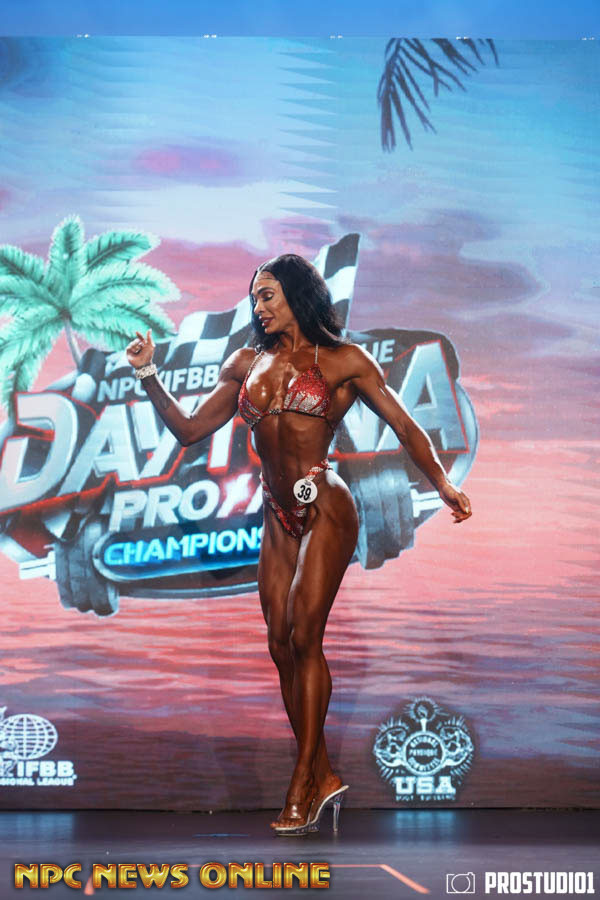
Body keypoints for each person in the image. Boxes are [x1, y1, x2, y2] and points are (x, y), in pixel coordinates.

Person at [126, 253, 472, 835]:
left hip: (326, 506)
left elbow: (404, 425)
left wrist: (442, 483)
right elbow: (189, 431)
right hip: (276, 513)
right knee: (280, 644)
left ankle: (301, 781)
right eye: (254, 299)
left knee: (305, 634)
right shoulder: (245, 364)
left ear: (297, 294)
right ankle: (325, 774)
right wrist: (148, 374)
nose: (258, 307)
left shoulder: (344, 360)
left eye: (267, 295)